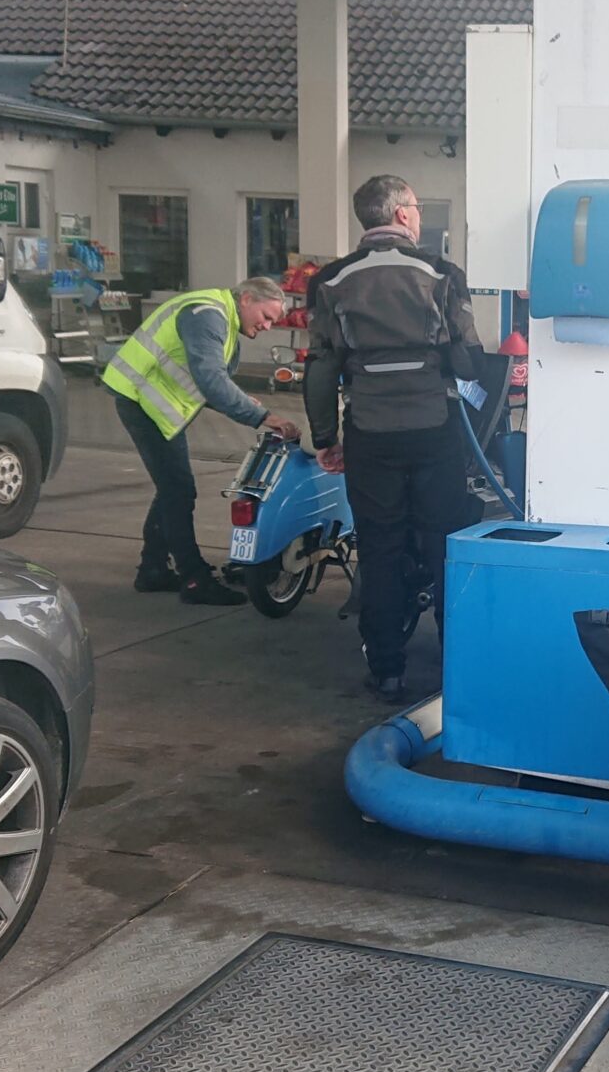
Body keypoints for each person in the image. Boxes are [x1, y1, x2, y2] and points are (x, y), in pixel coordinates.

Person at [305, 175, 485, 702]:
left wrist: (325, 436)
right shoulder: (441, 273)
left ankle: (387, 669)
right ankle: (457, 667)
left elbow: (320, 367)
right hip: (434, 431)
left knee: (379, 548)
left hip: (369, 433)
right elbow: (469, 358)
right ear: (404, 214)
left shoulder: (331, 280)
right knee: (443, 546)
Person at [102, 277, 297, 604]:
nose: (267, 326)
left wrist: (241, 400)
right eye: (266, 317)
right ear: (246, 299)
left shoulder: (219, 315)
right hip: (140, 399)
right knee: (178, 489)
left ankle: (152, 569)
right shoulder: (207, 314)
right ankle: (194, 579)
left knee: (172, 487)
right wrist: (262, 417)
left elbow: (203, 376)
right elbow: (210, 379)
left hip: (151, 402)